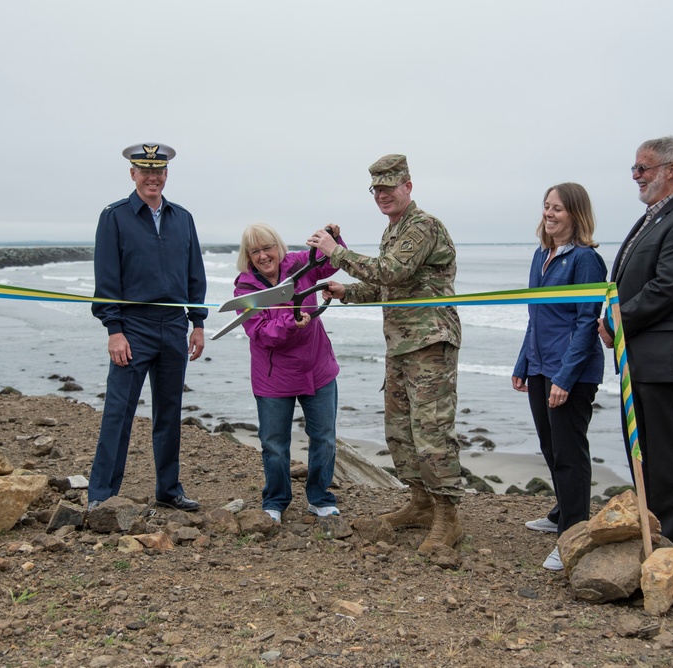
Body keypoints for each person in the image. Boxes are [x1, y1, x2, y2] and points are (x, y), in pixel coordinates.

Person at [307, 154, 464, 554]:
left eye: (389, 188)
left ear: (408, 186)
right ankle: (421, 502)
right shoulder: (392, 231)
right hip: (400, 345)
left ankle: (448, 518)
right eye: (376, 189)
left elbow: (391, 271)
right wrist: (347, 291)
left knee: (432, 433)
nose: (382, 195)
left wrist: (336, 253)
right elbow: (388, 287)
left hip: (430, 344)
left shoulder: (422, 226)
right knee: (399, 432)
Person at [598, 136, 673, 560]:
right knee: (643, 453)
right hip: (641, 357)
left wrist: (617, 321)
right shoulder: (653, 217)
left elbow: (667, 287)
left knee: (668, 457)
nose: (636, 176)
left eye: (643, 168)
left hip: (668, 358)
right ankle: (654, 536)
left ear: (671, 170)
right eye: (634, 168)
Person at [87, 142, 208, 513]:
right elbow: (106, 276)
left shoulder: (183, 218)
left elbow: (194, 274)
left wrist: (197, 324)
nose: (152, 177)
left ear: (166, 175)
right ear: (133, 174)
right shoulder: (115, 216)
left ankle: (168, 489)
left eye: (159, 171)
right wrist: (114, 329)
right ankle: (102, 495)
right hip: (132, 328)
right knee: (118, 412)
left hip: (173, 326)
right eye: (145, 170)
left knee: (170, 411)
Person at [512, 183, 607, 571]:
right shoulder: (541, 254)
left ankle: (573, 535)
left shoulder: (586, 260)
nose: (549, 214)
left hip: (572, 371)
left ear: (575, 215)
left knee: (569, 452)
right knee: (550, 448)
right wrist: (523, 363)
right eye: (547, 207)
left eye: (558, 209)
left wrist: (565, 378)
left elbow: (587, 323)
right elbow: (536, 316)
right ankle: (560, 514)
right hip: (539, 364)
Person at [233, 223, 346, 522]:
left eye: (267, 247)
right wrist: (289, 323)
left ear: (278, 247)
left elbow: (331, 263)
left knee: (324, 438)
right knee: (274, 443)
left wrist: (332, 238)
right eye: (255, 251)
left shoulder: (298, 263)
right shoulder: (244, 288)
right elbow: (259, 332)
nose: (263, 256)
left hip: (317, 369)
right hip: (273, 378)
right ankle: (276, 500)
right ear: (248, 256)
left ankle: (320, 497)